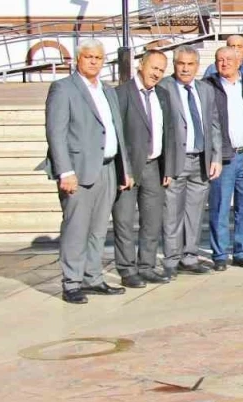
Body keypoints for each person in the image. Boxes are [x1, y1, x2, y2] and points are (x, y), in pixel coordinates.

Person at [42, 41, 131, 304]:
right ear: (78, 59)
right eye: (88, 57)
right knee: (76, 228)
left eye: (98, 58)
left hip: (108, 168)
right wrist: (65, 171)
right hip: (78, 171)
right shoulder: (63, 88)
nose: (93, 62)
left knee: (98, 229)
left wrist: (124, 169)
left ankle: (93, 277)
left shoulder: (107, 90)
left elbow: (116, 131)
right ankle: (72, 282)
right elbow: (56, 133)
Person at [111, 49, 175, 288]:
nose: (156, 74)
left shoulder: (163, 95)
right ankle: (127, 269)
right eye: (153, 68)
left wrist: (168, 167)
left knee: (152, 221)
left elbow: (168, 132)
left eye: (161, 70)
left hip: (154, 167)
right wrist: (122, 169)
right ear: (141, 65)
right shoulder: (121, 94)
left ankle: (147, 266)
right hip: (129, 168)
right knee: (124, 221)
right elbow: (116, 134)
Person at [159, 46, 222, 277]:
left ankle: (190, 256)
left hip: (201, 159)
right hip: (176, 160)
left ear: (197, 66)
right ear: (174, 64)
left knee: (194, 213)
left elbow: (214, 124)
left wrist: (216, 157)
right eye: (181, 64)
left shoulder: (205, 89)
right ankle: (171, 259)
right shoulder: (164, 88)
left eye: (190, 64)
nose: (185, 68)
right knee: (172, 213)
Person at [205, 45, 243, 270]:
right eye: (220, 59)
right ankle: (220, 254)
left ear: (239, 61)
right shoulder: (209, 86)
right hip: (224, 157)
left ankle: (242, 252)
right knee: (220, 206)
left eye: (229, 59)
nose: (224, 63)